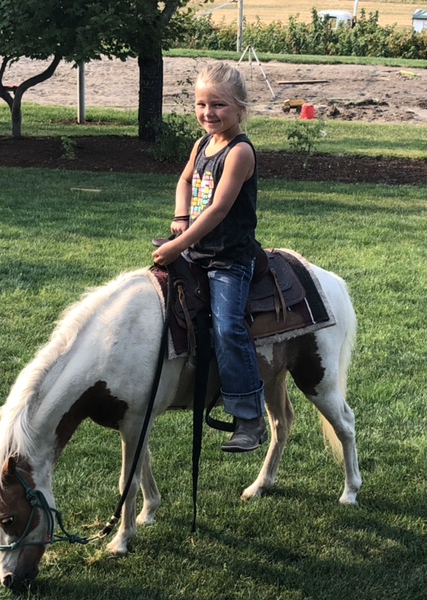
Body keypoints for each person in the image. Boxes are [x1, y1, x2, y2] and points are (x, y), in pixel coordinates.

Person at [152, 62, 266, 453]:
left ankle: (249, 416)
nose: (208, 113)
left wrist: (176, 246)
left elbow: (218, 210)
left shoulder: (239, 152)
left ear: (240, 108)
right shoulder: (202, 145)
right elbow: (186, 180)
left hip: (228, 259)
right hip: (196, 250)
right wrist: (180, 215)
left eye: (218, 104)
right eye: (201, 104)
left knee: (227, 327)